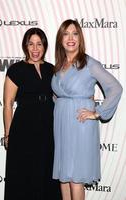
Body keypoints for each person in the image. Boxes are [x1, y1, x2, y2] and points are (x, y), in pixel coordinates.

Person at [51, 19, 123, 200]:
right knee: (64, 177)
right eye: (66, 34)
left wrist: (97, 112)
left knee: (76, 178)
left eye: (75, 33)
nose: (70, 38)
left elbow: (115, 88)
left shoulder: (89, 63)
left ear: (80, 38)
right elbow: (59, 94)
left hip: (79, 123)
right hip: (62, 125)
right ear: (60, 39)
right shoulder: (59, 65)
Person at [3, 28, 61, 200]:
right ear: (25, 46)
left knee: (47, 174)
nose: (35, 49)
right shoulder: (15, 69)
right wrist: (8, 134)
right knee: (24, 176)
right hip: (23, 129)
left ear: (45, 46)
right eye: (31, 44)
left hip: (48, 129)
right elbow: (7, 104)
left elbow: (60, 98)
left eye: (39, 44)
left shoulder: (53, 69)